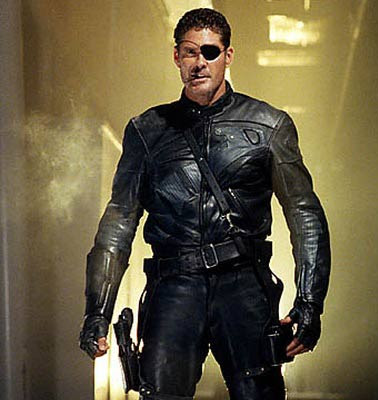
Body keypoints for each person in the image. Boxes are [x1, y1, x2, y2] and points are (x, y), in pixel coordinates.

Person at [79, 8, 331, 400]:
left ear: (228, 56)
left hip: (243, 283)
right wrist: (97, 311)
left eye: (210, 52)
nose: (200, 62)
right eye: (190, 52)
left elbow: (304, 214)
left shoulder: (269, 125)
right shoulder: (146, 131)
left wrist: (310, 302)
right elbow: (119, 221)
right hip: (173, 285)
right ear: (177, 57)